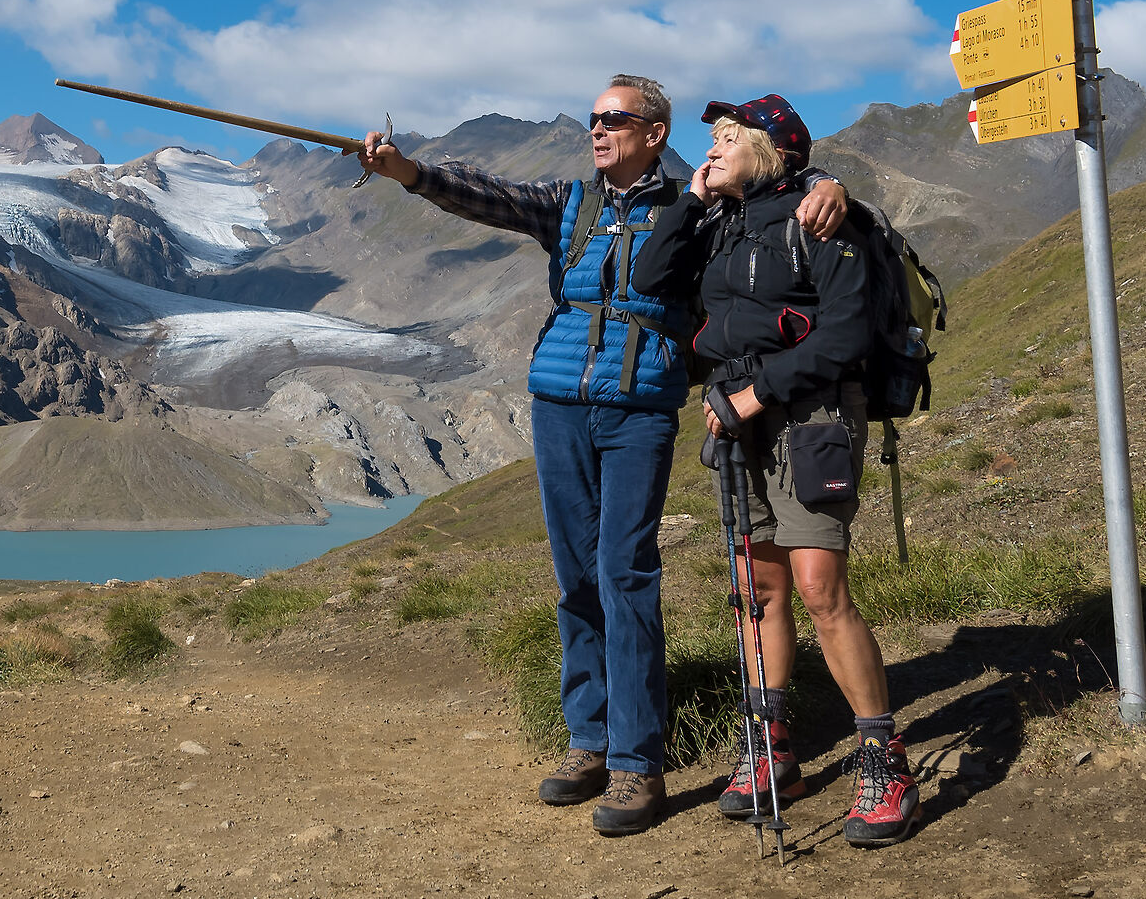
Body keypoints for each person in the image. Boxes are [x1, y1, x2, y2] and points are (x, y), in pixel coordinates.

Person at [358, 77, 848, 835]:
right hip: (558, 405)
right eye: (594, 118)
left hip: (639, 410)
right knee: (575, 578)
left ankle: (636, 764)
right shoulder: (571, 202)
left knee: (626, 573)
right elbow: (484, 195)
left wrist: (827, 182)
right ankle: (587, 741)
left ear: (655, 131)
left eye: (614, 118)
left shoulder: (696, 201)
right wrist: (410, 173)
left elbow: (772, 182)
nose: (598, 129)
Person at [627, 94, 920, 847]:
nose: (713, 149)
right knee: (758, 590)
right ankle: (771, 748)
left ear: (775, 152)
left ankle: (884, 761)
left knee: (822, 588)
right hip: (739, 419)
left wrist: (758, 392)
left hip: (810, 417)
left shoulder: (822, 217)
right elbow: (652, 277)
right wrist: (689, 201)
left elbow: (846, 331)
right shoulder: (719, 223)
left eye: (729, 138)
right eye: (712, 140)